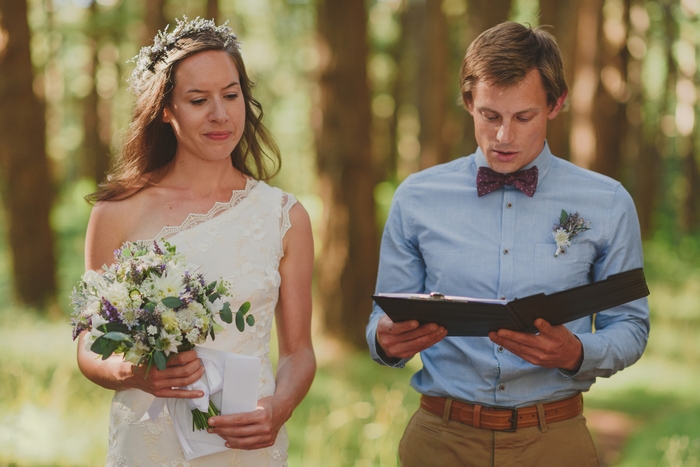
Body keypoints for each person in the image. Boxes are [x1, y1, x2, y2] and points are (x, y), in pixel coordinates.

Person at [366, 21, 649, 467]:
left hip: (555, 441)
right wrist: (386, 342)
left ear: (556, 104)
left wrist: (577, 352)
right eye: (490, 116)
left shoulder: (609, 203)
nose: (503, 137)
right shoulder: (416, 198)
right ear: (468, 103)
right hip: (440, 441)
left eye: (523, 117)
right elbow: (383, 320)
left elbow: (631, 326)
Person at [76, 17, 315, 466]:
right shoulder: (115, 213)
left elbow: (299, 352)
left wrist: (279, 408)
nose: (220, 114)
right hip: (147, 443)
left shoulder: (285, 217)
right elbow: (90, 344)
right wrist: (135, 373)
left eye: (231, 94)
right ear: (165, 109)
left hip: (244, 442)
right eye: (198, 99)